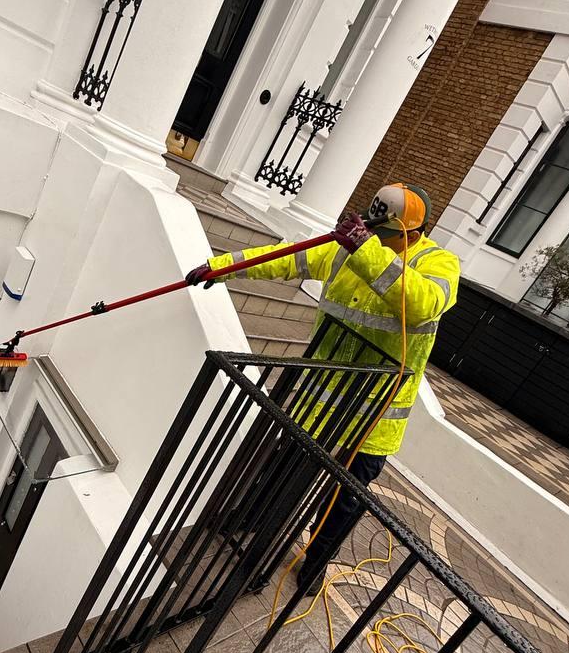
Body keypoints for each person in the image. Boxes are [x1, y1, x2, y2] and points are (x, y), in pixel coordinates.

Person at [185, 183, 460, 596]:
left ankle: (315, 563)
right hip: (321, 401)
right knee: (282, 467)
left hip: (375, 416)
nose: (376, 240)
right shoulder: (345, 251)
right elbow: (285, 258)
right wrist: (220, 266)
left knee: (342, 500)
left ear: (415, 230)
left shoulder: (439, 263)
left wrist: (367, 249)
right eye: (373, 232)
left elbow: (421, 303)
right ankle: (251, 519)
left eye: (386, 235)